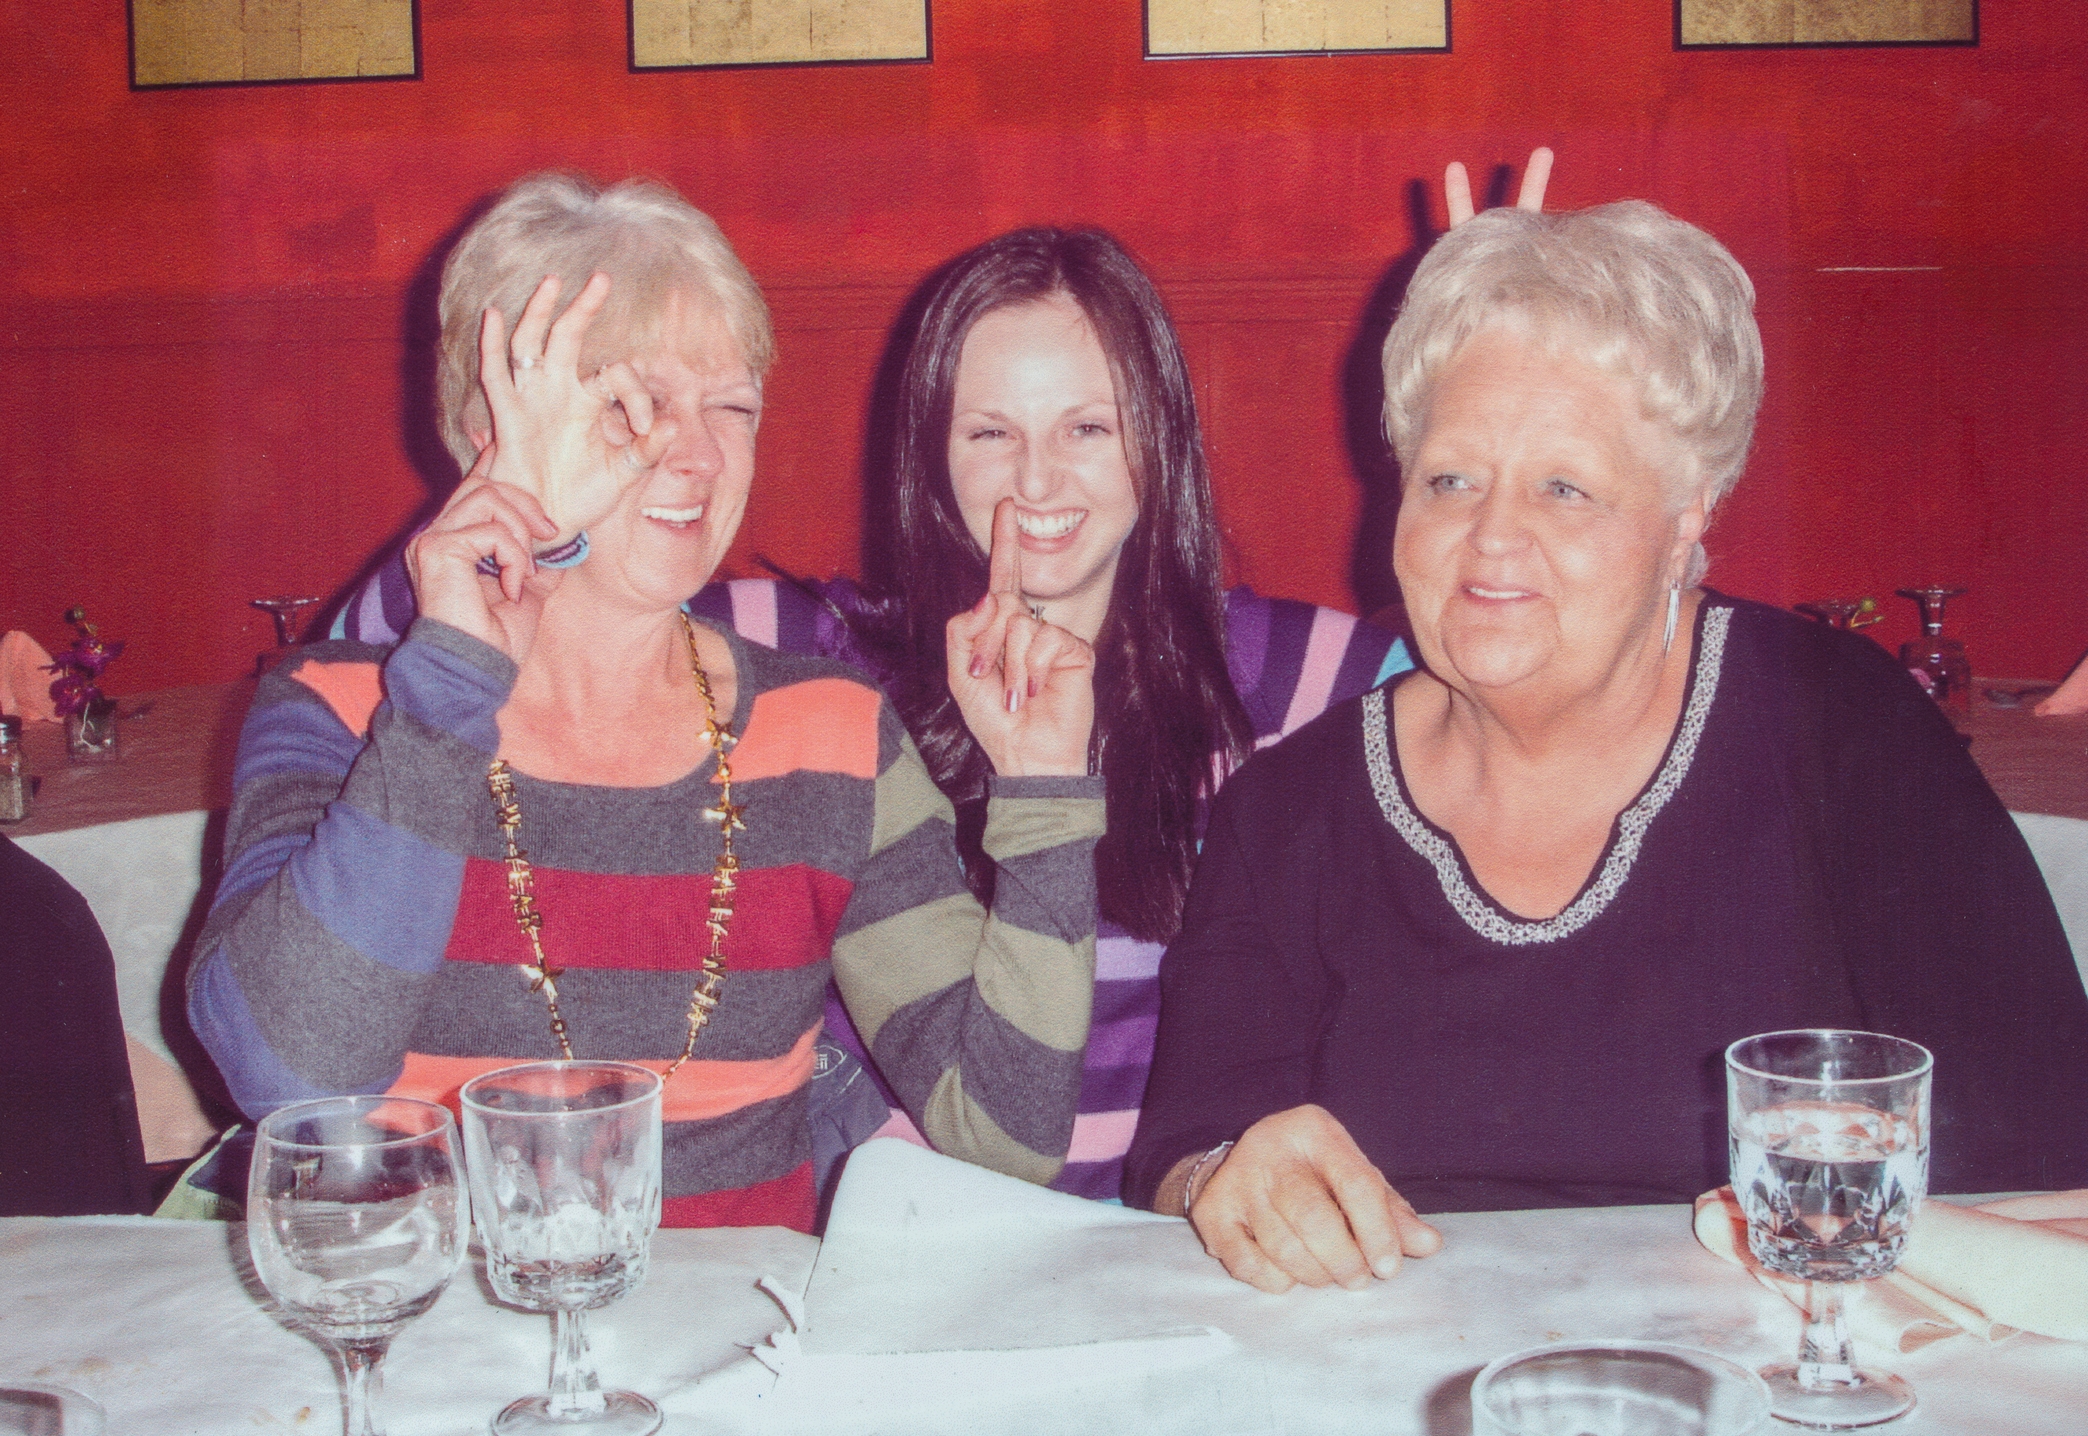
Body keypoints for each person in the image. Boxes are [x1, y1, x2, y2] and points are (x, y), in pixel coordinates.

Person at [1123, 196, 2088, 1291]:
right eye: (1450, 478)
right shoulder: (1289, 809)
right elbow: (1185, 1140)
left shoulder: (1839, 733)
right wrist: (1224, 1178)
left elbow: (2047, 1137)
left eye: (1564, 487)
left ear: (1688, 514)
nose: (1490, 536)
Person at [187, 173, 1106, 1233]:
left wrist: (1042, 793)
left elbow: (1003, 1131)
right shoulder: (342, 713)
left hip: (740, 1367)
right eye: (635, 404)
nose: (702, 455)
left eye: (732, 407)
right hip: (435, 1367)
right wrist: (448, 684)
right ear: (489, 423)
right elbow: (288, 1074)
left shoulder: (832, 736)